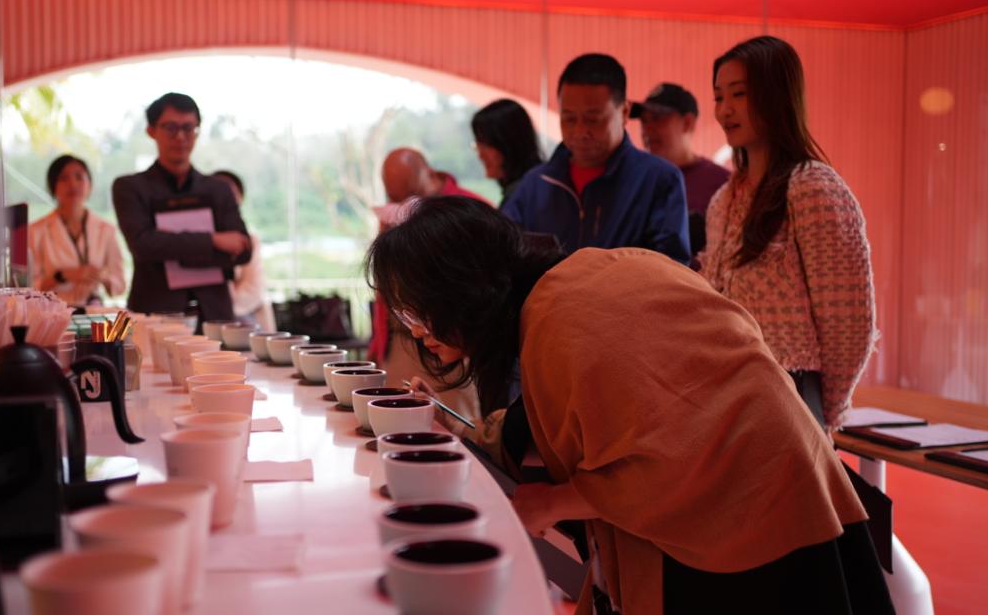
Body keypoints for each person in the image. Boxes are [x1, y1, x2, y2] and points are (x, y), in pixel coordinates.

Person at [367, 196, 892, 615]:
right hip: (782, 489)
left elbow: (669, 464)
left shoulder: (560, 321)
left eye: (416, 311)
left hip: (752, 529)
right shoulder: (574, 282)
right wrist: (452, 428)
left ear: (458, 292)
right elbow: (561, 420)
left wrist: (554, 504)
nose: (417, 331)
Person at [699, 36, 876, 430]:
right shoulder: (723, 200)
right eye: (718, 97)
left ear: (776, 96)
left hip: (789, 390)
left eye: (739, 94)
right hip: (724, 388)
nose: (725, 110)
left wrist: (826, 410)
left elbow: (848, 323)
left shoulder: (813, 187)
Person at [503, 53, 690, 263]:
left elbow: (670, 269)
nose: (580, 131)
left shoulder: (659, 180)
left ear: (624, 112)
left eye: (593, 120)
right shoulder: (536, 184)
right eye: (569, 118)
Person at [368, 147, 490, 423]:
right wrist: (378, 338)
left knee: (457, 427)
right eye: (393, 198)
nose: (401, 205)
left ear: (429, 173)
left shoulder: (469, 210)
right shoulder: (394, 215)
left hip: (452, 341)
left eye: (409, 195)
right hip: (401, 342)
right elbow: (386, 287)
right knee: (396, 422)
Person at [112, 92, 252, 325]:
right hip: (155, 316)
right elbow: (143, 245)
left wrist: (170, 245)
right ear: (151, 131)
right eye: (170, 128)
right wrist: (214, 241)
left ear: (197, 131)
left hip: (215, 317)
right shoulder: (130, 187)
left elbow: (243, 249)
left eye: (188, 128)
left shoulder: (219, 189)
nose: (180, 137)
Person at [631, 82, 729, 261]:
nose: (648, 129)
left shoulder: (722, 183)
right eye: (644, 121)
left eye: (658, 118)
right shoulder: (634, 181)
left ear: (687, 123)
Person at [29, 154, 126, 306]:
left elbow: (119, 286)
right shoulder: (35, 231)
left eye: (79, 177)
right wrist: (62, 276)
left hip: (93, 311)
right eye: (63, 178)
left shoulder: (106, 229)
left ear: (90, 185)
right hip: (52, 312)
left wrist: (100, 276)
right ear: (53, 186)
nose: (73, 184)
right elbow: (27, 288)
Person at [212, 170, 275, 331]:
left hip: (241, 319)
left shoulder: (248, 241)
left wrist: (218, 303)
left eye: (230, 196)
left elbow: (254, 289)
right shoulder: (196, 241)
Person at [470, 99, 544, 209]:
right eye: (477, 145)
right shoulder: (528, 189)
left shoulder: (530, 196)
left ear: (508, 144)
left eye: (485, 144)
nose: (480, 155)